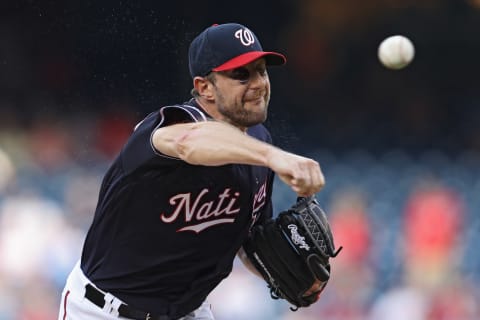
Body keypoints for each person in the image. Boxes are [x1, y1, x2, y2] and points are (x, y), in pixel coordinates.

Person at [58, 22, 325, 320]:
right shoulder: (165, 128)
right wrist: (275, 158)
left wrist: (290, 274)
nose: (258, 83)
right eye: (241, 74)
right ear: (204, 87)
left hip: (188, 312)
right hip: (105, 310)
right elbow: (191, 142)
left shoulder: (259, 141)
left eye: (261, 70)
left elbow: (251, 242)